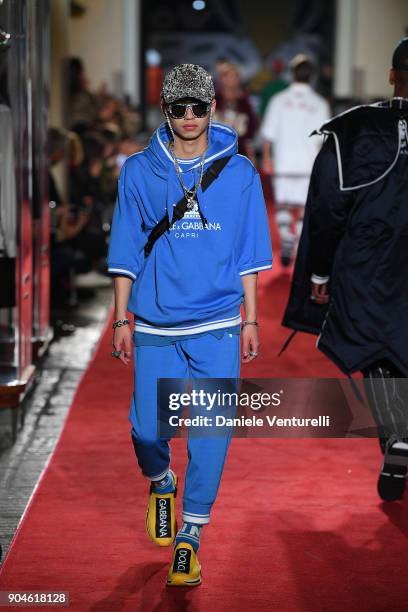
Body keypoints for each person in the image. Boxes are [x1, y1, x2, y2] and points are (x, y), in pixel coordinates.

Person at [107, 64, 272, 587]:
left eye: (198, 106)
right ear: (166, 110)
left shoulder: (240, 172)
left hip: (219, 323)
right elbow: (125, 248)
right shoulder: (138, 170)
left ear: (212, 108)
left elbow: (249, 250)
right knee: (146, 431)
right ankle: (161, 481)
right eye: (178, 107)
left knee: (211, 433)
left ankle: (190, 537)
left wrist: (251, 318)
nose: (189, 117)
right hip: (155, 322)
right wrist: (119, 319)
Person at [282, 38, 408, 503]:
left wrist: (319, 274)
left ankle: (397, 434)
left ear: (393, 75)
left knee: (376, 347)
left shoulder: (354, 130)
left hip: (368, 261)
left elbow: (328, 210)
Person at [261, 54, 330, 267]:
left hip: (283, 163)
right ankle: (299, 245)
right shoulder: (319, 103)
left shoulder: (279, 100)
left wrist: (266, 158)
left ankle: (286, 239)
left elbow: (268, 135)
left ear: (292, 74)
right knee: (302, 209)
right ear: (312, 76)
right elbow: (324, 139)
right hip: (308, 165)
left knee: (283, 206)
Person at [213, 62, 259, 165]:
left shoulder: (244, 103)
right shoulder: (214, 101)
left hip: (239, 155)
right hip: (215, 156)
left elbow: (251, 130)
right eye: (229, 76)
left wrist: (251, 158)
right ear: (222, 79)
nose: (233, 80)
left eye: (236, 76)